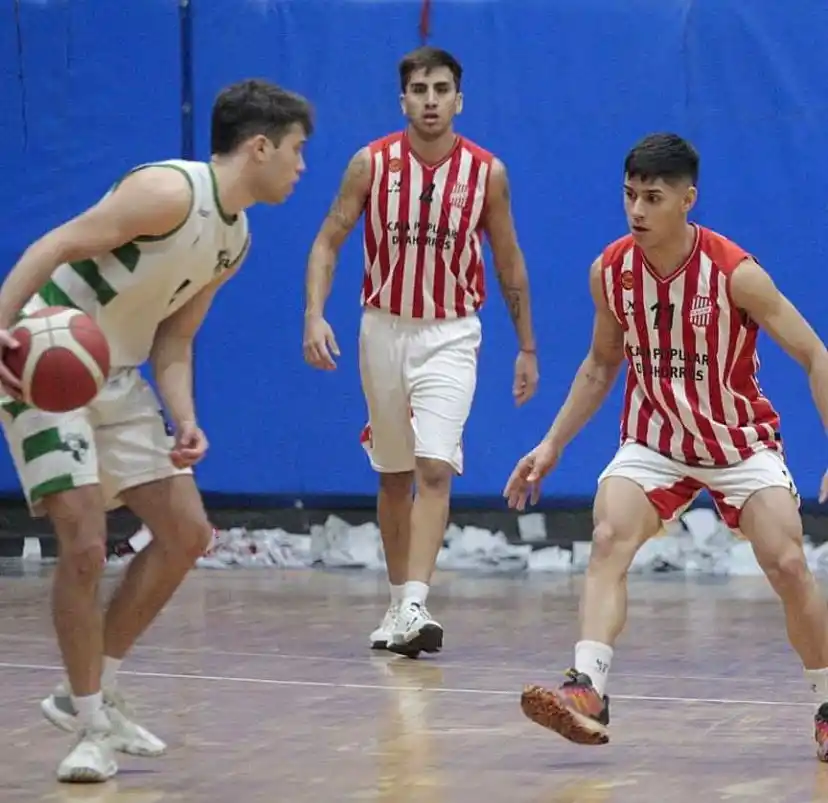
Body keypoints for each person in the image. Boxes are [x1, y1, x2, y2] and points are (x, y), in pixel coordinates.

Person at [0, 78, 312, 783]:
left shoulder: (236, 239)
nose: (300, 166)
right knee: (82, 545)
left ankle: (90, 690)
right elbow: (54, 244)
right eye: (296, 151)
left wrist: (187, 414)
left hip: (118, 376)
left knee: (187, 534)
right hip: (44, 362)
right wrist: (2, 328)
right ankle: (85, 730)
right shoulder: (170, 192)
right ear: (259, 146)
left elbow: (175, 340)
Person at [503, 132, 828, 757]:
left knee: (787, 564)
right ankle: (587, 688)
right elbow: (601, 366)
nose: (637, 211)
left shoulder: (737, 274)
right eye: (629, 196)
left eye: (652, 198)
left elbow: (815, 353)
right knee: (606, 537)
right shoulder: (612, 271)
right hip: (656, 442)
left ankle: (825, 699)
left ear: (688, 200)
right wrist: (551, 445)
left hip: (738, 444)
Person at [304, 46, 539, 657]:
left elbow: (509, 261)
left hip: (453, 332)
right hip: (381, 328)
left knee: (436, 466)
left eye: (441, 89)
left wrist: (527, 347)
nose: (430, 99)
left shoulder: (487, 173)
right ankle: (395, 601)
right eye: (419, 89)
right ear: (402, 99)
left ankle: (415, 601)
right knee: (393, 474)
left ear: (459, 99)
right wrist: (313, 315)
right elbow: (328, 239)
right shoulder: (370, 164)